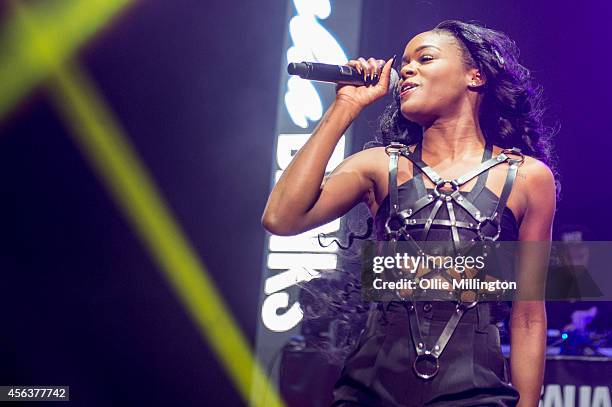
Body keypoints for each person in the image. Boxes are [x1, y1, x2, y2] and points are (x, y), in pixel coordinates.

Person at [262, 19, 557, 407]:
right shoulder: (377, 166)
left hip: (473, 394)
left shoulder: (528, 179)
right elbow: (281, 218)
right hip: (369, 390)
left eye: (425, 58)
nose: (406, 69)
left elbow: (529, 316)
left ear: (476, 75)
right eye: (404, 64)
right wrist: (345, 106)